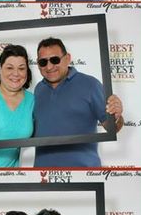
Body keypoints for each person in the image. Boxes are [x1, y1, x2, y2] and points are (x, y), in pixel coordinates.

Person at [33, 37, 123, 167]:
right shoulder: (38, 90)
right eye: (43, 62)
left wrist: (116, 117)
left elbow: (112, 127)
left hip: (83, 174)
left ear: (67, 58)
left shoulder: (90, 85)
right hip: (42, 176)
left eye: (55, 60)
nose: (49, 66)